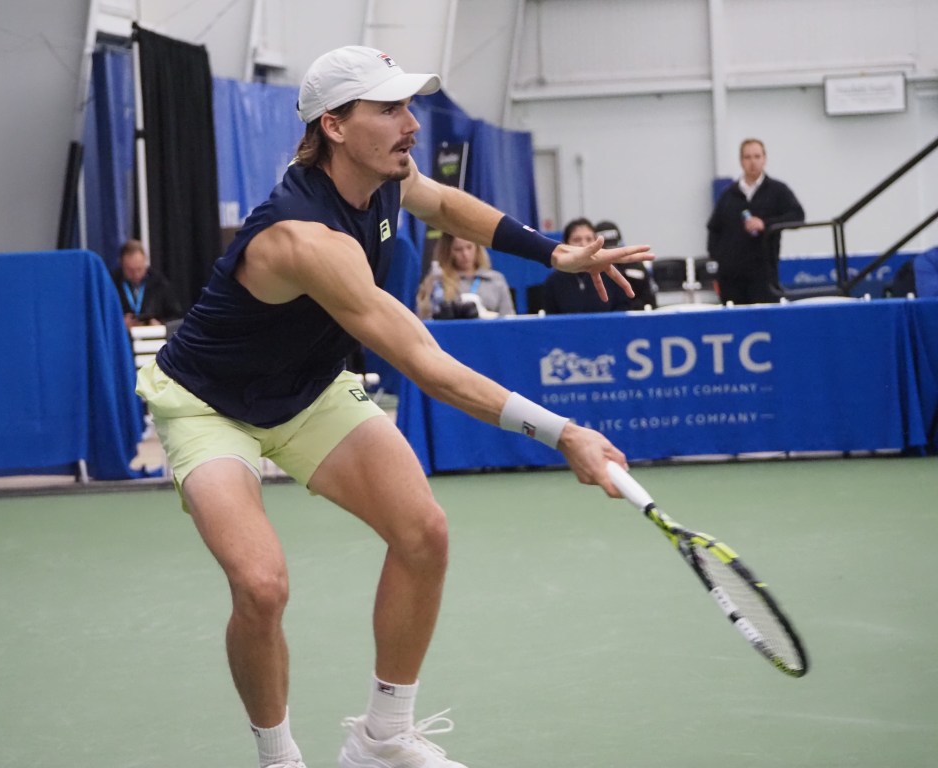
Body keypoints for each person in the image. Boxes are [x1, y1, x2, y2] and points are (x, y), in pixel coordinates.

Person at [134, 45, 653, 768]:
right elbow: (424, 363)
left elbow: (445, 204)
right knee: (261, 586)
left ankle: (381, 738)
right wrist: (562, 432)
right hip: (210, 406)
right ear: (335, 126)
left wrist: (551, 254)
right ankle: (279, 758)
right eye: (389, 109)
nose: (411, 124)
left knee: (423, 533)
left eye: (409, 105)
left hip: (309, 390)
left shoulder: (388, 175)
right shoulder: (304, 237)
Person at [706, 138, 805, 304]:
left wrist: (766, 224)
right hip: (732, 280)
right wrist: (720, 259)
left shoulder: (778, 190)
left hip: (764, 277)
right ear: (741, 161)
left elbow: (797, 217)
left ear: (764, 159)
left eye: (757, 156)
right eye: (748, 157)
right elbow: (714, 229)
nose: (753, 162)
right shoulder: (728, 195)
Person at [542, 218, 632, 314]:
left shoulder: (611, 274)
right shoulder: (554, 281)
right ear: (565, 244)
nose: (583, 244)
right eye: (577, 240)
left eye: (589, 239)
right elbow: (551, 317)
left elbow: (623, 308)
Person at [415, 233, 515, 318]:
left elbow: (509, 318)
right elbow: (424, 318)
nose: (465, 254)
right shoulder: (437, 281)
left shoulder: (496, 280)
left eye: (469, 247)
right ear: (448, 252)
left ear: (477, 248)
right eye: (458, 249)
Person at [111, 239, 183, 328]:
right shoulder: (112, 283)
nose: (136, 275)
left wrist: (161, 324)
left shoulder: (159, 282)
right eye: (130, 270)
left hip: (153, 334)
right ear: (121, 264)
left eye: (139, 269)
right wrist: (119, 323)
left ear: (145, 262)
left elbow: (176, 317)